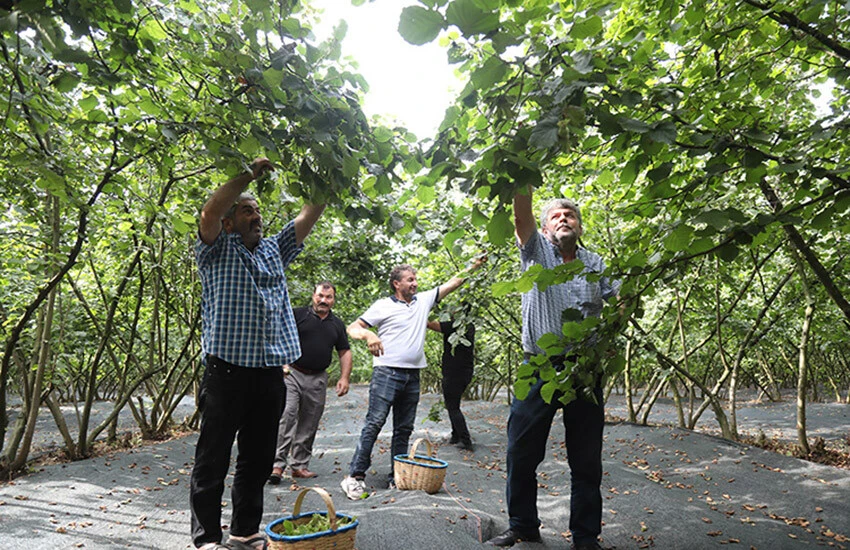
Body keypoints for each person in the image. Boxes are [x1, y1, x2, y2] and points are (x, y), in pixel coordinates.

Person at [190, 158, 325, 550]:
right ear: (231, 222)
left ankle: (245, 533)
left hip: (270, 374)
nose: (256, 215)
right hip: (226, 372)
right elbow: (210, 211)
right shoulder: (214, 249)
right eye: (247, 210)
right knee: (213, 458)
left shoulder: (272, 251)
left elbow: (308, 215)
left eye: (258, 210)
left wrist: (325, 176)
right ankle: (206, 540)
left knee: (258, 459)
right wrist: (247, 175)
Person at [485, 187, 619, 549]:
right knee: (521, 451)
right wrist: (522, 174)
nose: (563, 219)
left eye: (570, 215)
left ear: (579, 226)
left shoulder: (597, 264)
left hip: (584, 371)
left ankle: (586, 537)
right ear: (545, 229)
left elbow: (623, 299)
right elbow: (520, 216)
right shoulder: (537, 251)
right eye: (556, 216)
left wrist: (610, 336)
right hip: (539, 368)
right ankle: (523, 525)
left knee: (586, 458)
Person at [340, 258, 486, 500]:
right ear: (397, 284)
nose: (415, 283)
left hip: (412, 375)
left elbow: (453, 283)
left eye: (416, 279)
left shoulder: (424, 301)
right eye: (410, 280)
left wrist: (474, 265)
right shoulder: (382, 305)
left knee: (404, 429)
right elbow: (352, 327)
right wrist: (368, 335)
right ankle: (355, 477)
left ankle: (397, 477)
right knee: (374, 423)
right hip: (387, 372)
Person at [268, 281, 352, 483]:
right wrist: (281, 363)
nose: (324, 300)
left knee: (310, 421)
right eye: (320, 296)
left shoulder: (337, 324)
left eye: (328, 297)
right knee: (287, 415)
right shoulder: (297, 315)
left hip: (318, 378)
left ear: (333, 300)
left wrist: (344, 377)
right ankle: (277, 465)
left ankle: (299, 466)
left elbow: (344, 351)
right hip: (292, 373)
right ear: (313, 296)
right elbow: (277, 335)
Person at [426, 307, 475, 451]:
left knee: (453, 407)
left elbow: (430, 324)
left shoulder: (456, 326)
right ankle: (456, 435)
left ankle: (466, 440)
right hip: (465, 372)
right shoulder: (469, 326)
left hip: (454, 373)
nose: (451, 312)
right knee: (454, 405)